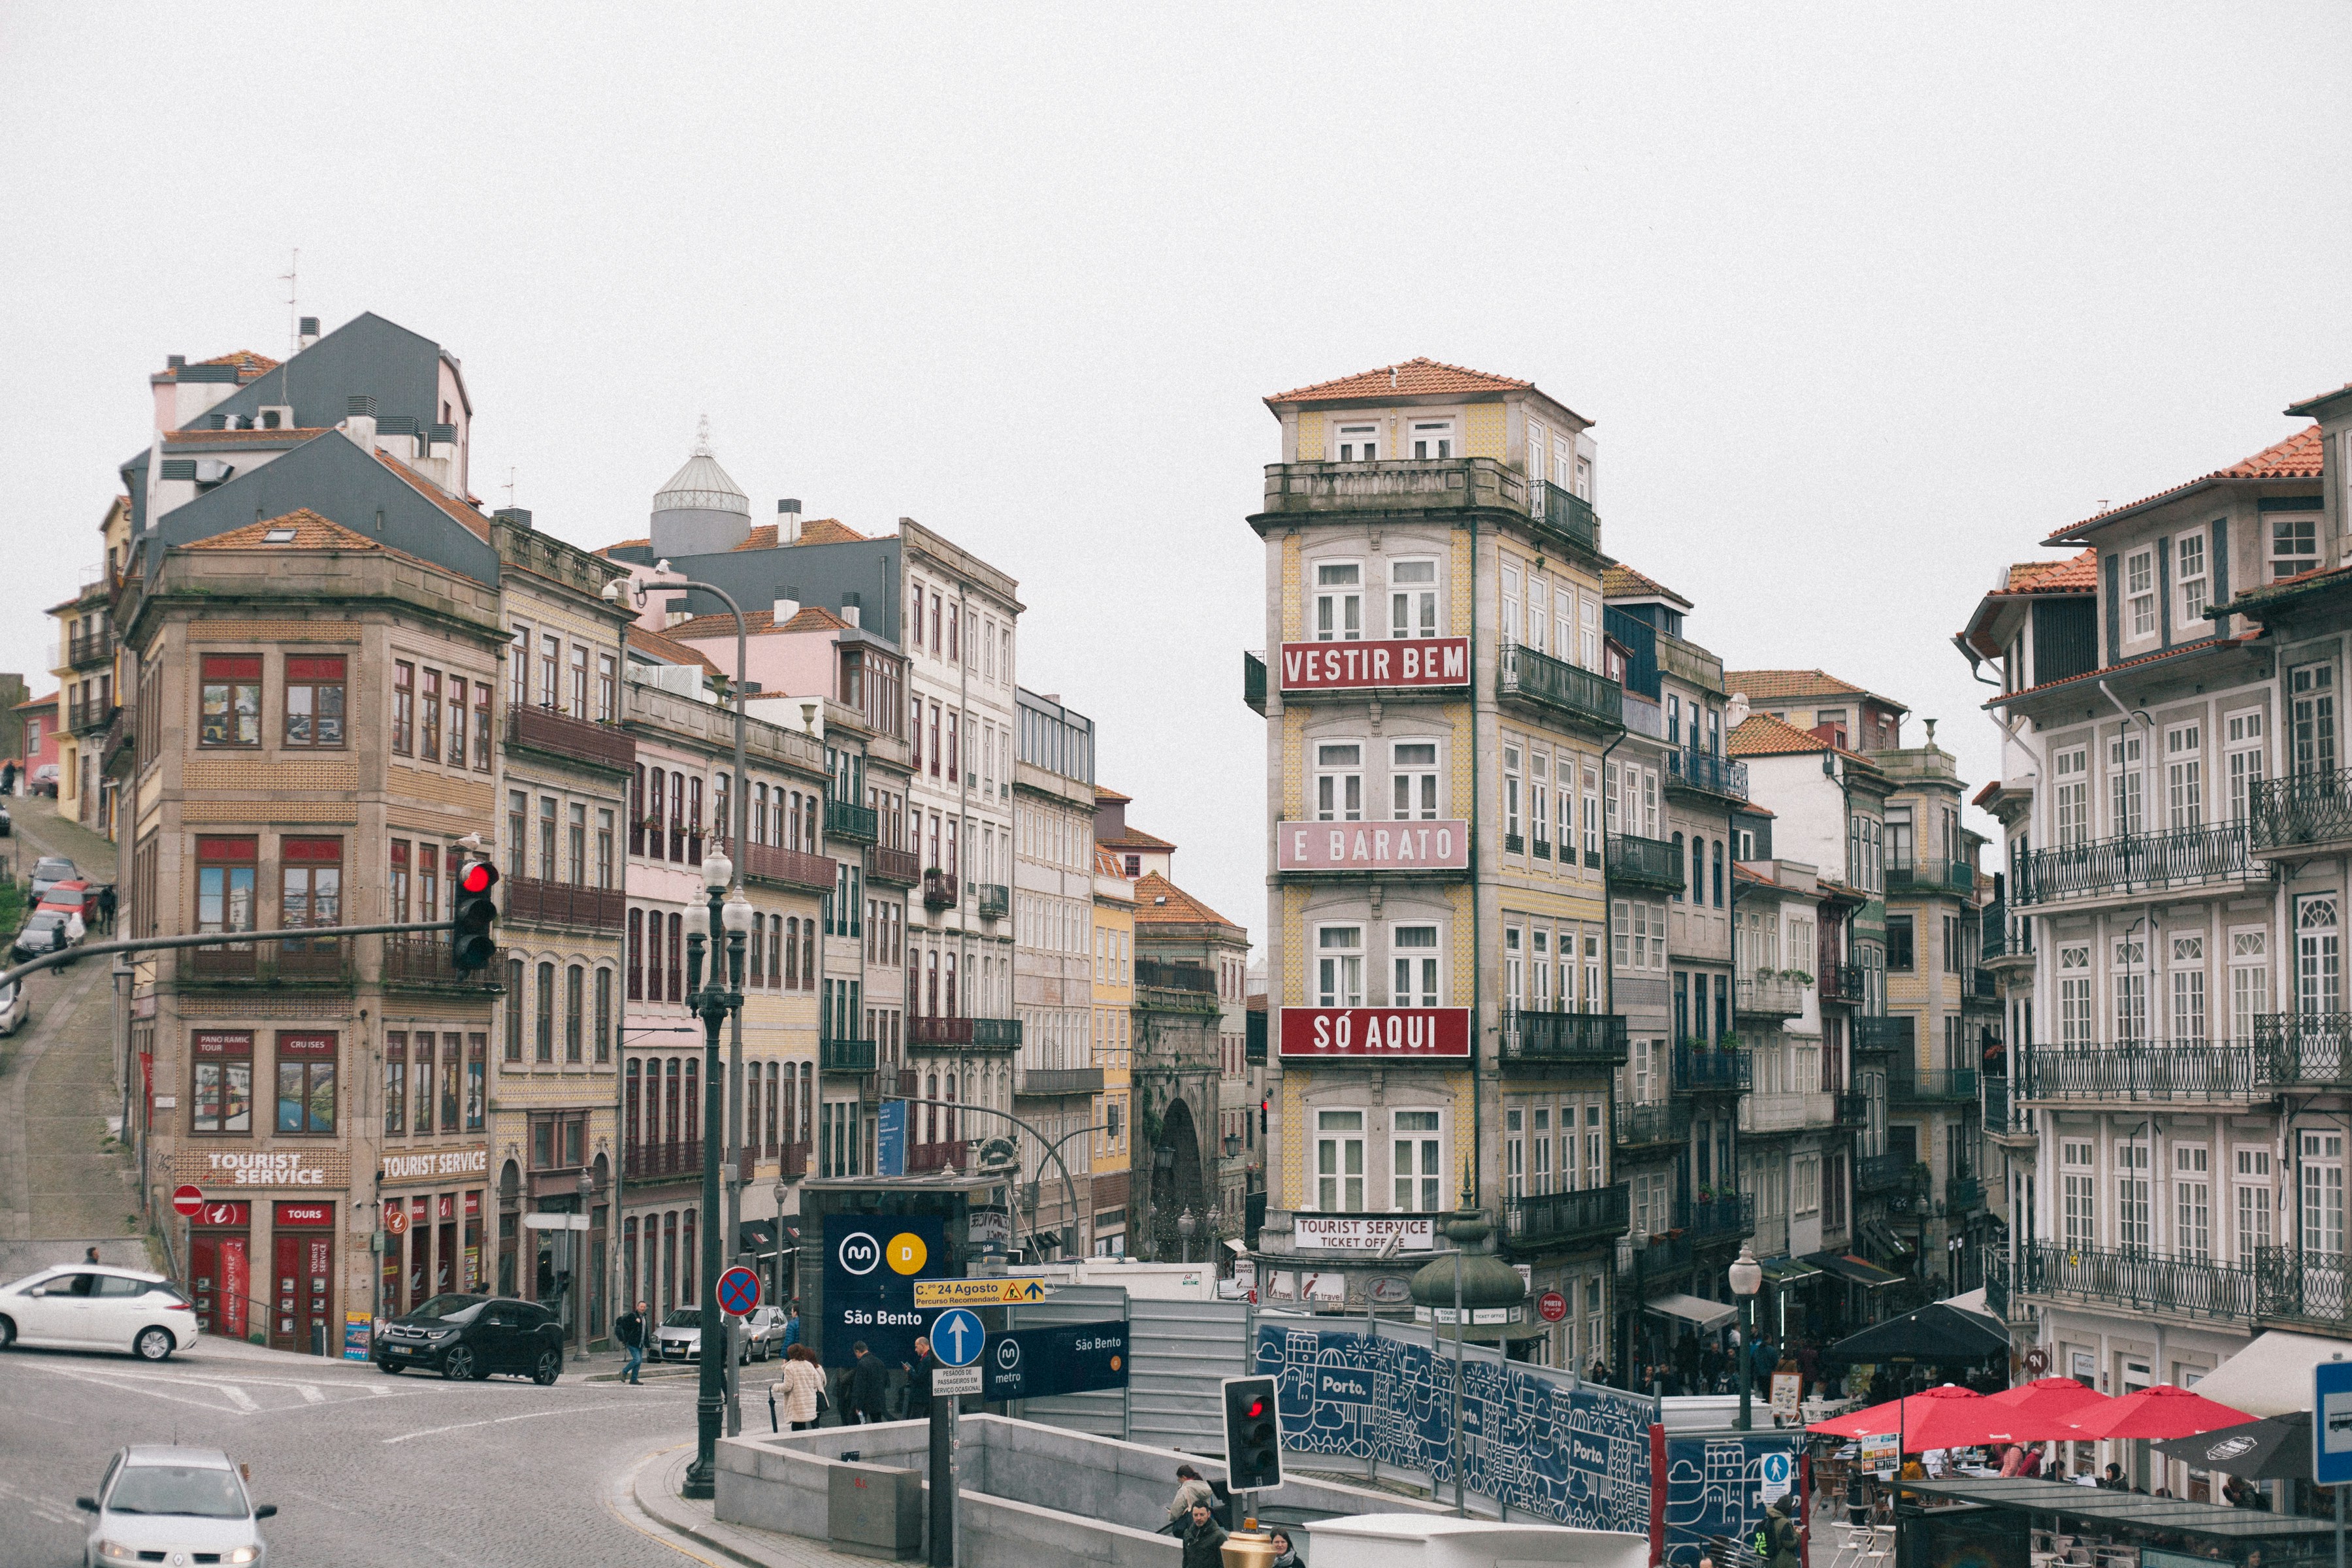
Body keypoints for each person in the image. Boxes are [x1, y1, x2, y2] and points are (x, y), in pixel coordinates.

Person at [774, 1345, 827, 1431]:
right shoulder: (809, 1365)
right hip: (809, 1403)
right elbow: (816, 1383)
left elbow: (787, 1387)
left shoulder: (790, 1368)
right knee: (811, 1428)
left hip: (797, 1404)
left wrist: (775, 1387)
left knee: (797, 1429)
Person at [849, 1340, 891, 1424]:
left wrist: (858, 1406)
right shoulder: (879, 1362)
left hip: (865, 1403)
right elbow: (887, 1382)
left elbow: (860, 1386)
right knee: (877, 1424)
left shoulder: (862, 1363)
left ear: (857, 1351)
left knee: (859, 1425)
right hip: (879, 1401)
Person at [1179, 1501, 1228, 1568]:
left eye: (1202, 1515)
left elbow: (1223, 1564)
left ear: (1209, 1514)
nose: (1199, 1518)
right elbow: (1186, 1559)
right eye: (1196, 1515)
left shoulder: (1219, 1537)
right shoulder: (1188, 1533)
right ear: (1192, 1515)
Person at [1166, 1463, 1214, 1529]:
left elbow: (1176, 1511)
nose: (1179, 1482)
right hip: (1205, 1524)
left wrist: (1171, 1514)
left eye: (1179, 1480)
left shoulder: (1185, 1489)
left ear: (1184, 1477)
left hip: (1191, 1526)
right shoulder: (1205, 1486)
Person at [615, 1300, 648, 1384]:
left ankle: (634, 1379)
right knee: (637, 1360)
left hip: (640, 1343)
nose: (643, 1309)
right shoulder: (632, 1316)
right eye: (641, 1307)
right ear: (637, 1307)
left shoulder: (644, 1318)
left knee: (639, 1362)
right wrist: (635, 1322)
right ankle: (624, 1372)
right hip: (632, 1342)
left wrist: (648, 1345)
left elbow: (645, 1331)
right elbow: (627, 1327)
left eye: (644, 1307)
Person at [904, 1333, 937, 1421]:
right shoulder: (932, 1357)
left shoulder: (926, 1359)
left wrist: (910, 1371)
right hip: (928, 1395)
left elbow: (919, 1378)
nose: (915, 1350)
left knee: (914, 1419)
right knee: (927, 1418)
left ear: (922, 1346)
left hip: (921, 1397)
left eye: (916, 1347)